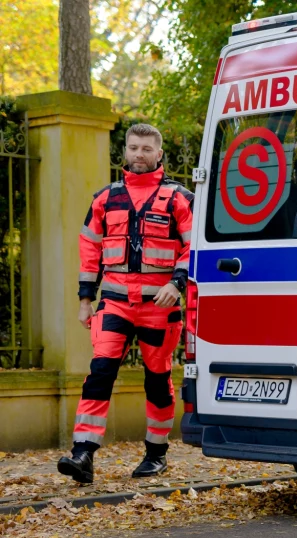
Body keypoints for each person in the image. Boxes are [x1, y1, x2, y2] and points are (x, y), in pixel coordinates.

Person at [57, 124, 192, 484]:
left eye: (147, 148)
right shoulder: (105, 198)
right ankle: (83, 452)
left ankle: (156, 454)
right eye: (133, 148)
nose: (139, 154)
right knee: (99, 373)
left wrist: (176, 284)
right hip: (114, 302)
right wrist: (86, 301)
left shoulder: (180, 198)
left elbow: (195, 248)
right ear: (125, 152)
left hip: (159, 305)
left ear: (160, 154)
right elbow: (90, 250)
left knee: (157, 378)